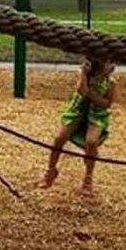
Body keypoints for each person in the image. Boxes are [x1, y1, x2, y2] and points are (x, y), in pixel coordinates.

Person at [39, 59, 116, 200]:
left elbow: (106, 103)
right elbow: (81, 90)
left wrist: (91, 95)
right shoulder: (85, 74)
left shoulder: (110, 82)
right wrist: (83, 73)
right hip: (77, 111)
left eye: (111, 62)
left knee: (91, 142)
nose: (112, 65)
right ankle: (50, 170)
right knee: (59, 138)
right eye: (108, 62)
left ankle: (88, 178)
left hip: (96, 114)